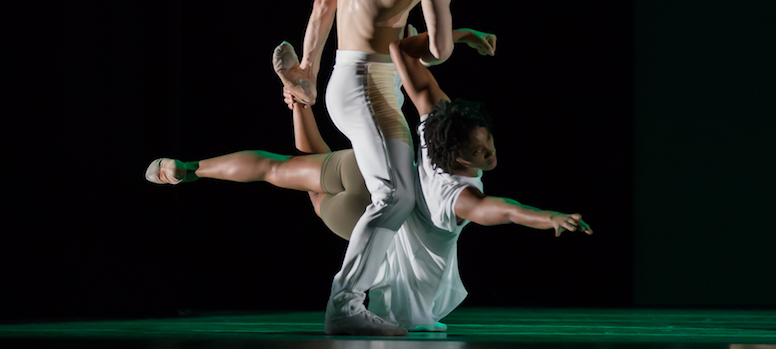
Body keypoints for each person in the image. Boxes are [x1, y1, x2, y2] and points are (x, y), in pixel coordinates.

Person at [145, 29, 592, 333]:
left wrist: (457, 36)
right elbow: (502, 211)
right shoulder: (457, 195)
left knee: (279, 168)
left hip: (371, 172)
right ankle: (298, 103)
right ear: (457, 156)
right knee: (301, 178)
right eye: (481, 150)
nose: (491, 152)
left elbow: (402, 50)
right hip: (361, 219)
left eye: (489, 141)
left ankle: (188, 166)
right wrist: (546, 216)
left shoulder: (439, 120)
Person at [272, 0, 492, 335]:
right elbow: (433, 51)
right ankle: (345, 305)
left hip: (342, 74)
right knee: (396, 196)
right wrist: (456, 38)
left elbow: (323, 4)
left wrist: (309, 66)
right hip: (371, 86)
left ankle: (401, 309)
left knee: (404, 198)